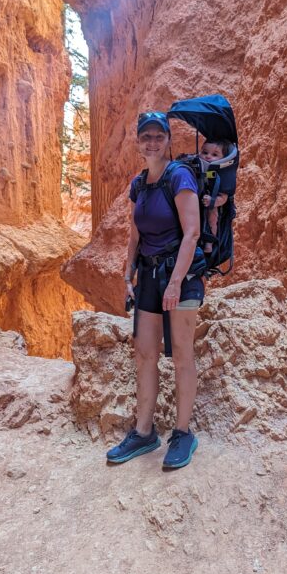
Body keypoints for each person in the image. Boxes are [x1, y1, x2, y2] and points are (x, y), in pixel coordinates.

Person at [106, 111, 204, 469]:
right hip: (148, 277)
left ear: (167, 140)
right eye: (145, 137)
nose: (152, 142)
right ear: (138, 143)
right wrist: (127, 273)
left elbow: (191, 233)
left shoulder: (180, 177)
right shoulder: (139, 183)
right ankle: (144, 432)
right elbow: (135, 232)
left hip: (180, 276)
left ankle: (182, 433)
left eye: (157, 136)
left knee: (181, 354)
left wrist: (176, 281)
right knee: (145, 353)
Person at [198, 140, 230, 253]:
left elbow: (224, 198)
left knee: (212, 218)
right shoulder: (197, 166)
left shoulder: (222, 174)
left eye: (215, 154)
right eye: (205, 152)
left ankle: (209, 243)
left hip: (211, 204)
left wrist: (213, 201)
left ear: (224, 158)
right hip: (196, 199)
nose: (208, 157)